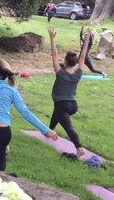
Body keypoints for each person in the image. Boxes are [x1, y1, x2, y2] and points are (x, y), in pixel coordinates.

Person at [48, 26, 90, 157]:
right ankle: (48, 131)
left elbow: (54, 54)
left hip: (63, 104)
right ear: (76, 63)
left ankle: (79, 148)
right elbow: (83, 57)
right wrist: (87, 42)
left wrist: (52, 38)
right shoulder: (78, 73)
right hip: (73, 104)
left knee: (68, 127)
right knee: (57, 112)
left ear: (65, 62)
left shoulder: (60, 73)